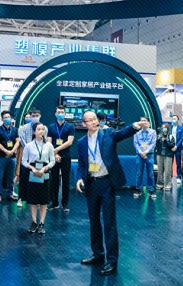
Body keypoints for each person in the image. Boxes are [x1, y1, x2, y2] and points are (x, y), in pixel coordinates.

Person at [75, 111, 149, 276]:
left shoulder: (107, 133)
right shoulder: (81, 142)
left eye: (95, 119)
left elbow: (122, 134)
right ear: (84, 124)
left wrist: (135, 126)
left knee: (109, 222)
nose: (94, 122)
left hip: (107, 183)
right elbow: (81, 164)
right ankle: (98, 254)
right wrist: (79, 178)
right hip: (91, 184)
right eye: (90, 120)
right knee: (94, 221)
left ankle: (112, 261)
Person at [22, 123, 55, 234]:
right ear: (34, 132)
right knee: (33, 200)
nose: (41, 131)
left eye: (43, 129)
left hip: (44, 172)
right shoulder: (29, 145)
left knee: (43, 200)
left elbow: (52, 161)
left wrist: (45, 168)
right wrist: (32, 168)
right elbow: (24, 161)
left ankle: (42, 223)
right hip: (33, 172)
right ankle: (34, 222)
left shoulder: (49, 145)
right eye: (39, 129)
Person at [48, 106, 75, 211]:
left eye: (62, 112)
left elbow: (69, 142)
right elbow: (49, 142)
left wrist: (57, 149)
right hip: (54, 157)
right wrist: (54, 154)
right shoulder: (51, 127)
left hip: (66, 156)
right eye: (58, 112)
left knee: (66, 181)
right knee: (54, 180)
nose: (60, 114)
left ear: (65, 114)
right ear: (55, 114)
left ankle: (65, 204)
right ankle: (54, 203)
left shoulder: (70, 126)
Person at [0, 111, 20, 202]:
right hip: (2, 157)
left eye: (8, 117)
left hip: (12, 157)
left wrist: (12, 151)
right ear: (2, 119)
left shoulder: (15, 130)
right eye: (5, 117)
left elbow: (17, 141)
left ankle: (10, 194)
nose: (7, 119)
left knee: (11, 176)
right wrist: (6, 151)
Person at [133, 116, 156, 199]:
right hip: (139, 155)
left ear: (148, 123)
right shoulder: (137, 133)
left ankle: (151, 190)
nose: (143, 122)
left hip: (149, 155)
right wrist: (141, 152)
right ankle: (138, 190)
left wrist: (146, 152)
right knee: (139, 173)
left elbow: (153, 143)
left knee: (150, 173)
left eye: (145, 120)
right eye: (141, 121)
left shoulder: (153, 132)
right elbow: (136, 143)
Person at [155, 123, 176, 191]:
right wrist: (158, 139)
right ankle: (159, 184)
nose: (163, 129)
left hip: (168, 155)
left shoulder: (171, 137)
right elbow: (156, 145)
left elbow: (172, 146)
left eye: (165, 128)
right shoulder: (159, 136)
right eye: (162, 128)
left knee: (168, 170)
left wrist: (166, 141)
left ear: (167, 129)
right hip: (160, 154)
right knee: (160, 170)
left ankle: (167, 185)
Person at [171, 114, 183, 185]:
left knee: (178, 162)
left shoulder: (181, 128)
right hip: (170, 148)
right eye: (173, 119)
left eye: (175, 119)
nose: (173, 120)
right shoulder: (169, 127)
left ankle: (178, 176)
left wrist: (176, 146)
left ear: (177, 120)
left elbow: (182, 138)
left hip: (178, 148)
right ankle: (169, 176)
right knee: (169, 163)